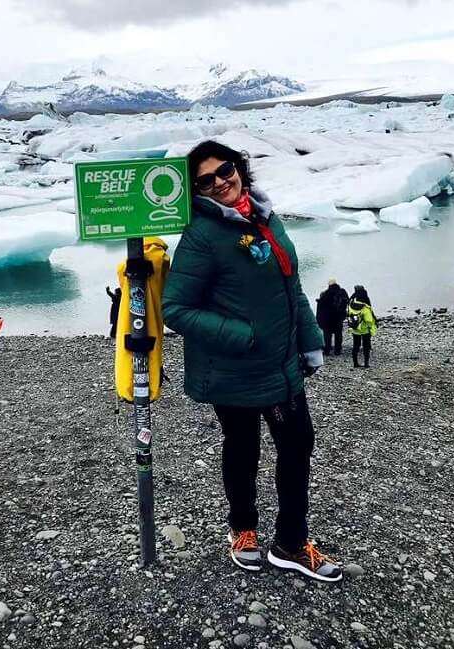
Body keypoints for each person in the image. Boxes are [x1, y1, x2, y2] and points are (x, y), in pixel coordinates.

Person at [162, 140, 342, 582]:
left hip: (282, 365)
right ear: (196, 190)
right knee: (242, 448)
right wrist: (244, 336)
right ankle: (243, 530)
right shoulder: (201, 236)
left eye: (225, 170)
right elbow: (175, 308)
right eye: (206, 180)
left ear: (239, 168)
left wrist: (310, 339)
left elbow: (290, 286)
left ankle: (290, 544)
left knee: (297, 446)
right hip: (234, 369)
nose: (220, 182)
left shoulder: (265, 218)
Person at [316, 279, 349, 356]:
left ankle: (327, 350)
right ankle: (337, 350)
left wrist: (319, 320)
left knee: (327, 335)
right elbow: (347, 302)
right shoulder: (342, 292)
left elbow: (321, 308)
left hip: (328, 319)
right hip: (338, 318)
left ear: (329, 285)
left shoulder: (325, 293)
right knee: (338, 335)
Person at [347, 286, 377, 368]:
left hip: (355, 328)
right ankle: (366, 363)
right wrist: (372, 327)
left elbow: (349, 314)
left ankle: (355, 363)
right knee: (366, 347)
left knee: (355, 346)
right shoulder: (365, 307)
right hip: (365, 330)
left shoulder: (351, 304)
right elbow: (369, 320)